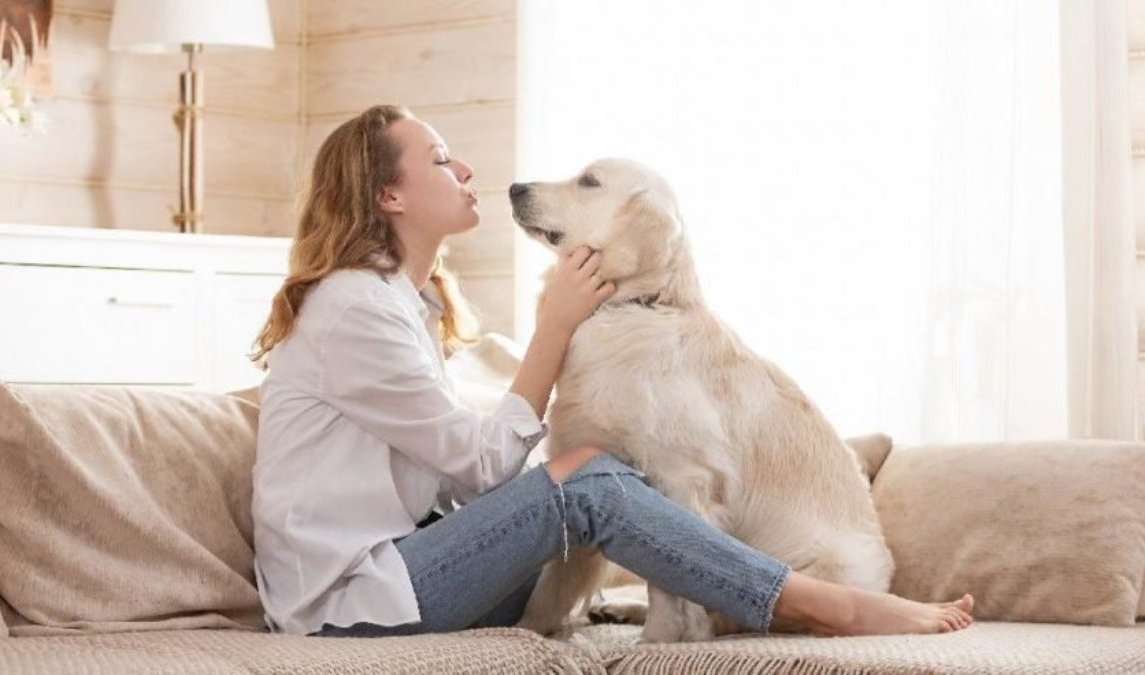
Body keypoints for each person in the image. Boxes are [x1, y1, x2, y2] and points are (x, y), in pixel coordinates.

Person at [249, 104, 974, 639]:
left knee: (601, 479)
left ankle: (744, 600)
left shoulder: (404, 304)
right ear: (389, 196)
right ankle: (826, 604)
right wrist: (554, 328)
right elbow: (482, 468)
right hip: (350, 604)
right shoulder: (354, 307)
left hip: (407, 572)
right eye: (440, 159)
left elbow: (463, 481)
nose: (465, 169)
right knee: (590, 478)